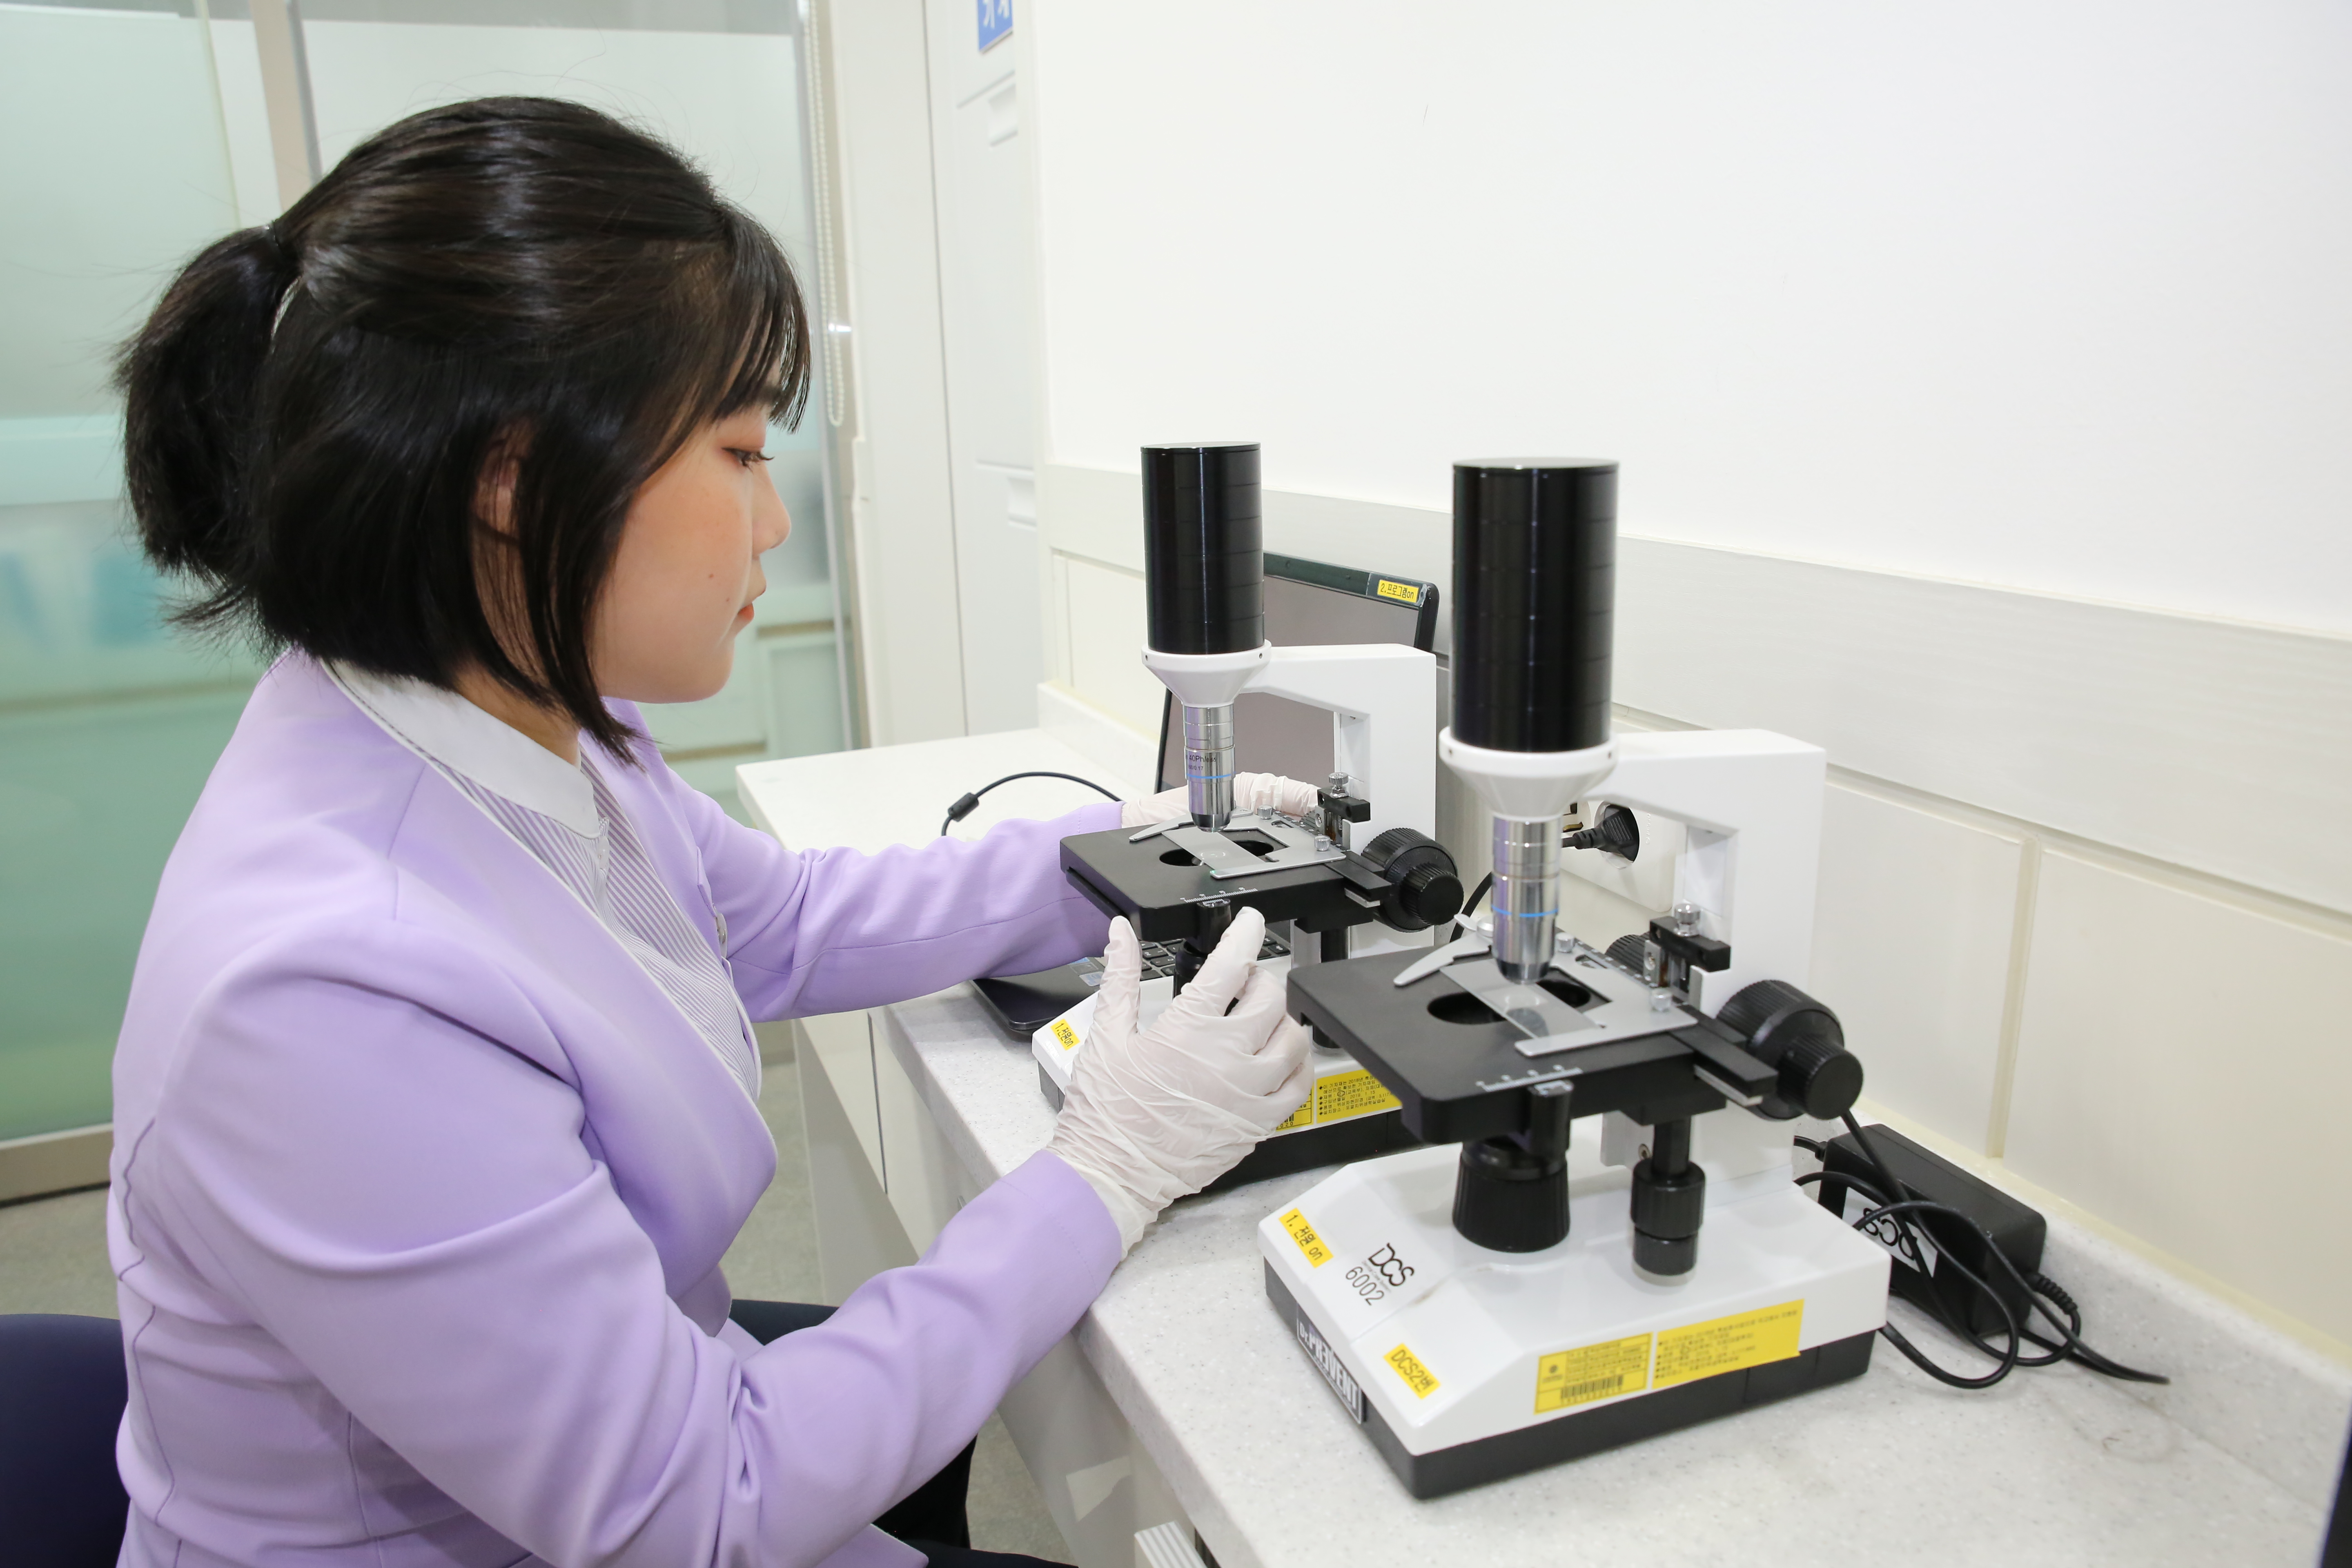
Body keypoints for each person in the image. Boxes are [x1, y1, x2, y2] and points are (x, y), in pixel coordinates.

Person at [107, 97, 1315, 1568]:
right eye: (740, 451)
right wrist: (1103, 1170)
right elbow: (702, 1510)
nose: (775, 522)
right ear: (513, 481)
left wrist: (1123, 855)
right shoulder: (323, 997)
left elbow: (775, 922)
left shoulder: (510, 716)